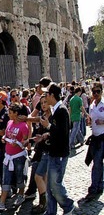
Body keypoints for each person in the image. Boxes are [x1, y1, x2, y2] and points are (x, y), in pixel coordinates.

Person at [39, 83, 77, 215]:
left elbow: (63, 133)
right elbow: (57, 132)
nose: (45, 96)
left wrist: (48, 126)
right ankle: (51, 211)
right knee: (50, 186)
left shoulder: (61, 110)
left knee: (55, 185)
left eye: (47, 94)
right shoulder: (57, 110)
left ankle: (68, 205)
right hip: (53, 152)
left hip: (59, 153)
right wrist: (47, 134)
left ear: (52, 95)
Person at [0, 103, 29, 211]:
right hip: (8, 155)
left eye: (10, 112)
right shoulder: (9, 122)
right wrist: (4, 138)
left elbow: (25, 142)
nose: (8, 114)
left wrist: (19, 144)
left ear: (16, 113)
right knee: (6, 178)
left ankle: (21, 194)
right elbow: (6, 134)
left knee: (19, 178)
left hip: (18, 156)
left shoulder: (23, 126)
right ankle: (1, 202)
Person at [84, 81, 104, 201]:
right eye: (94, 91)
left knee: (97, 162)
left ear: (102, 92)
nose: (95, 94)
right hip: (95, 137)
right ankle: (100, 185)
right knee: (97, 162)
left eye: (98, 91)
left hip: (103, 137)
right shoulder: (92, 105)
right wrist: (89, 122)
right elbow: (91, 118)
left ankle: (94, 188)